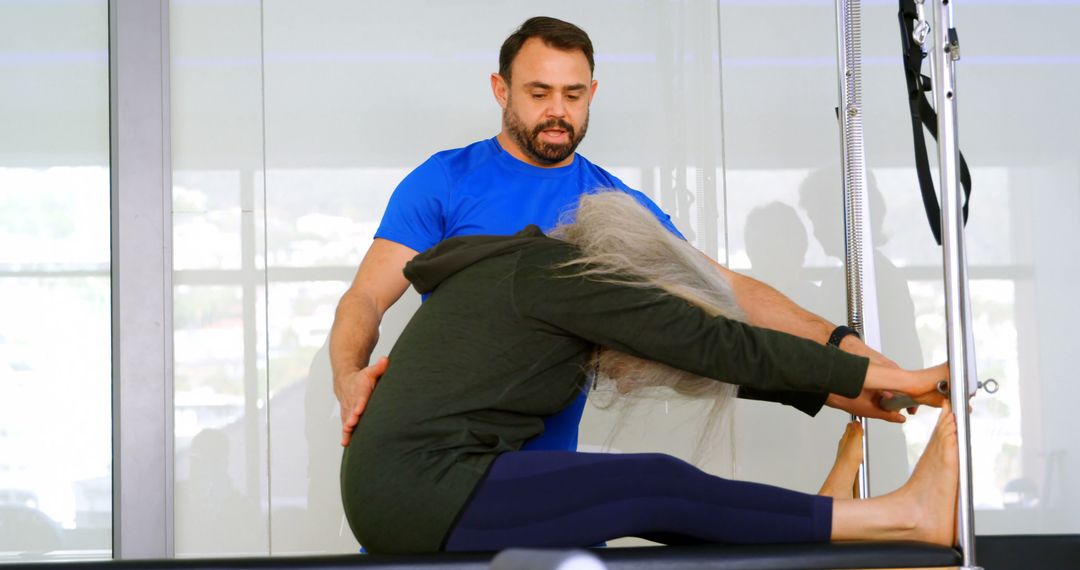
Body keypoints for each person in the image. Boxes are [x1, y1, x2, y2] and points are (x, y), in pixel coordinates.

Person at [330, 16, 904, 451]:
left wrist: (843, 350)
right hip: (437, 452)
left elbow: (721, 291)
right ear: (501, 91)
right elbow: (365, 297)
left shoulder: (611, 206)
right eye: (538, 93)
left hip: (544, 470)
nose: (558, 111)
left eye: (573, 95)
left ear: (592, 95)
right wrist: (349, 377)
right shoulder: (445, 181)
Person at [339, 192, 957, 554]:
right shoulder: (570, 276)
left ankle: (834, 529)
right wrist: (891, 376)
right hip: (420, 491)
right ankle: (898, 518)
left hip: (406, 488)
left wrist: (837, 388)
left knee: (662, 504)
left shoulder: (542, 275)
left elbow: (691, 360)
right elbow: (714, 346)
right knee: (652, 484)